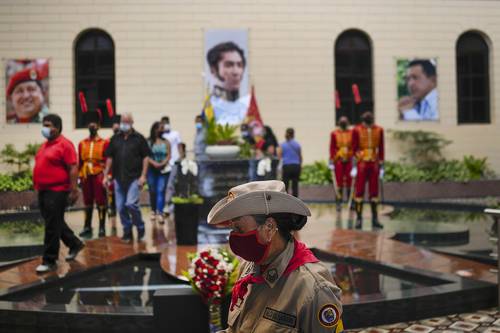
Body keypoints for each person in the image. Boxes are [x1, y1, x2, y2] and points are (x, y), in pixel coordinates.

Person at [207, 180, 344, 333]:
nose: (234, 237)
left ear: (269, 228)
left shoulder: (313, 288)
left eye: (239, 229)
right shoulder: (249, 267)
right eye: (232, 229)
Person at [33, 114, 85, 273]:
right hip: (43, 190)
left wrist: (73, 189)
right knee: (54, 222)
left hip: (57, 191)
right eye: (44, 124)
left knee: (51, 225)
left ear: (57, 127)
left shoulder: (65, 145)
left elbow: (73, 168)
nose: (45, 128)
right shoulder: (45, 145)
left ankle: (49, 260)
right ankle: (74, 243)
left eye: (48, 125)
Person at [103, 113, 150, 242]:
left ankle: (140, 227)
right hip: (118, 178)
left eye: (127, 121)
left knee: (131, 204)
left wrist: (143, 176)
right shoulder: (115, 138)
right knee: (120, 207)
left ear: (132, 122)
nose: (124, 124)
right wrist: (106, 175)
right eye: (122, 121)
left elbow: (146, 157)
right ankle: (127, 231)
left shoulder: (139, 138)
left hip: (134, 178)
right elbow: (110, 157)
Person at [351, 111, 384, 229]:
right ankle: (359, 219)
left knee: (374, 192)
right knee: (359, 192)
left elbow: (381, 147)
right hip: (362, 164)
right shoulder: (356, 130)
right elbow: (354, 148)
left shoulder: (379, 130)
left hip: (374, 164)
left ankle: (375, 219)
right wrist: (357, 162)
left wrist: (381, 164)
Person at [78, 111, 109, 238]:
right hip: (85, 175)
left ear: (98, 126)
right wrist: (78, 178)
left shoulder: (104, 143)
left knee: (101, 201)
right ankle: (87, 226)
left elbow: (108, 160)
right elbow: (79, 161)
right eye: (90, 123)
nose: (92, 125)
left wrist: (108, 176)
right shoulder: (82, 143)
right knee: (87, 201)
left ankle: (102, 227)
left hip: (99, 174)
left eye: (95, 123)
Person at [207, 41, 250, 125]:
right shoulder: (211, 106)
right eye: (229, 65)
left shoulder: (247, 103)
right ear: (213, 70)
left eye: (240, 65)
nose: (236, 72)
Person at [147, 121, 171, 224]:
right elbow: (146, 155)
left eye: (163, 128)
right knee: (152, 190)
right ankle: (153, 210)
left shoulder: (166, 142)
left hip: (163, 170)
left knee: (161, 190)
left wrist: (162, 163)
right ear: (155, 129)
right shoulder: (148, 141)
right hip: (151, 170)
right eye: (160, 128)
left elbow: (169, 155)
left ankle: (160, 212)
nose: (162, 130)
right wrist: (154, 163)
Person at [329, 116, 354, 212]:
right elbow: (332, 147)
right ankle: (338, 203)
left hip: (349, 160)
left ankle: (350, 203)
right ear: (339, 123)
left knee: (349, 182)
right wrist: (331, 160)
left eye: (345, 122)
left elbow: (353, 146)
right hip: (338, 160)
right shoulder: (334, 133)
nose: (343, 123)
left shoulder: (351, 133)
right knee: (338, 183)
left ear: (347, 123)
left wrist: (350, 156)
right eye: (341, 122)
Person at [161, 116, 182, 214]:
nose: (165, 124)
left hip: (174, 163)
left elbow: (179, 146)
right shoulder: (161, 136)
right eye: (163, 123)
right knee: (165, 185)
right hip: (164, 164)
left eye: (166, 122)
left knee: (171, 184)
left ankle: (168, 205)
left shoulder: (175, 134)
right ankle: (167, 205)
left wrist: (180, 157)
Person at [105, 114, 121, 236]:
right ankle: (113, 219)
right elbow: (108, 159)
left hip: (125, 173)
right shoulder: (109, 141)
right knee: (112, 196)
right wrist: (108, 174)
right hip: (113, 173)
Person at [278, 128, 302, 197]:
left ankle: (286, 200)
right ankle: (295, 201)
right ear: (293, 134)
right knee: (295, 185)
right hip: (296, 166)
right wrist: (300, 166)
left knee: (286, 185)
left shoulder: (282, 145)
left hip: (287, 166)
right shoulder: (297, 144)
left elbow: (279, 156)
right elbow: (300, 157)